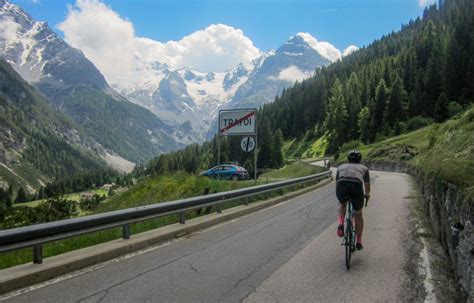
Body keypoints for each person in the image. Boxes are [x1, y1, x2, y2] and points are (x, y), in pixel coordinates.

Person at [335, 150, 370, 250]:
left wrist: (340, 196)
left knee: (342, 204)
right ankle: (358, 240)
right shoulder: (364, 168)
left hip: (342, 187)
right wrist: (367, 194)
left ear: (348, 159)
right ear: (360, 159)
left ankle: (341, 223)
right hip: (356, 187)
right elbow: (367, 185)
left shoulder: (340, 167)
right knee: (358, 214)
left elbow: (337, 183)